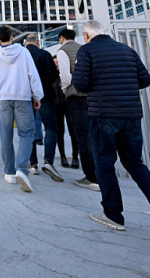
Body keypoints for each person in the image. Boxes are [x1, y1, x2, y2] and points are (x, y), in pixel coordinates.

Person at [73, 21, 150, 243]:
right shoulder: (127, 50)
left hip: (103, 115)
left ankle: (113, 214)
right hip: (132, 116)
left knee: (104, 164)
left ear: (87, 35)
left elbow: (80, 84)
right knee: (136, 164)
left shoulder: (86, 50)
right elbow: (144, 79)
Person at [0, 26, 43, 193]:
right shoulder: (24, 52)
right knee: (27, 133)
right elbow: (32, 75)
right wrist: (37, 96)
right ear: (12, 37)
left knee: (6, 135)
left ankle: (9, 172)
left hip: (3, 98)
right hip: (22, 97)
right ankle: (21, 168)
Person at [57, 29, 99, 191]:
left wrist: (65, 90)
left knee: (82, 136)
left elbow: (65, 76)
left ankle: (91, 177)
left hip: (75, 96)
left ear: (61, 38)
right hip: (90, 96)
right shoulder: (83, 48)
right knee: (93, 134)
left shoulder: (63, 51)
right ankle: (100, 172)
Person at [23, 33, 64, 182]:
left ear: (26, 43)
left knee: (29, 130)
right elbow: (53, 75)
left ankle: (32, 163)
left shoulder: (22, 55)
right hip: (45, 96)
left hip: (27, 97)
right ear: (37, 42)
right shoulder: (44, 54)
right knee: (51, 128)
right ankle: (48, 161)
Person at [52, 53, 78, 169]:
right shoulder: (51, 76)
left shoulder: (67, 74)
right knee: (60, 131)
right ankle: (63, 156)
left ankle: (75, 157)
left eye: (58, 63)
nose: (57, 65)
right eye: (55, 63)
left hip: (69, 104)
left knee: (73, 131)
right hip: (56, 105)